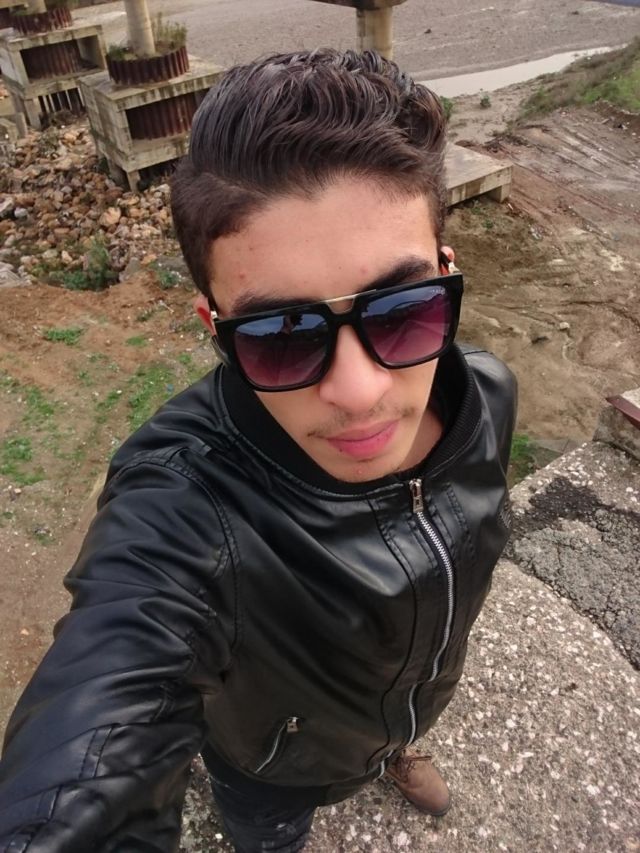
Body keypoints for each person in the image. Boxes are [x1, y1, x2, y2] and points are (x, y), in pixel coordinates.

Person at [0, 49, 516, 852]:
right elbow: (105, 699)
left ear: (448, 278)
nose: (358, 391)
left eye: (402, 310)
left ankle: (396, 744)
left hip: (411, 699)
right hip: (271, 770)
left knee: (398, 716)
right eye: (282, 334)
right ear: (215, 331)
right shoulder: (186, 502)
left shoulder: (486, 394)